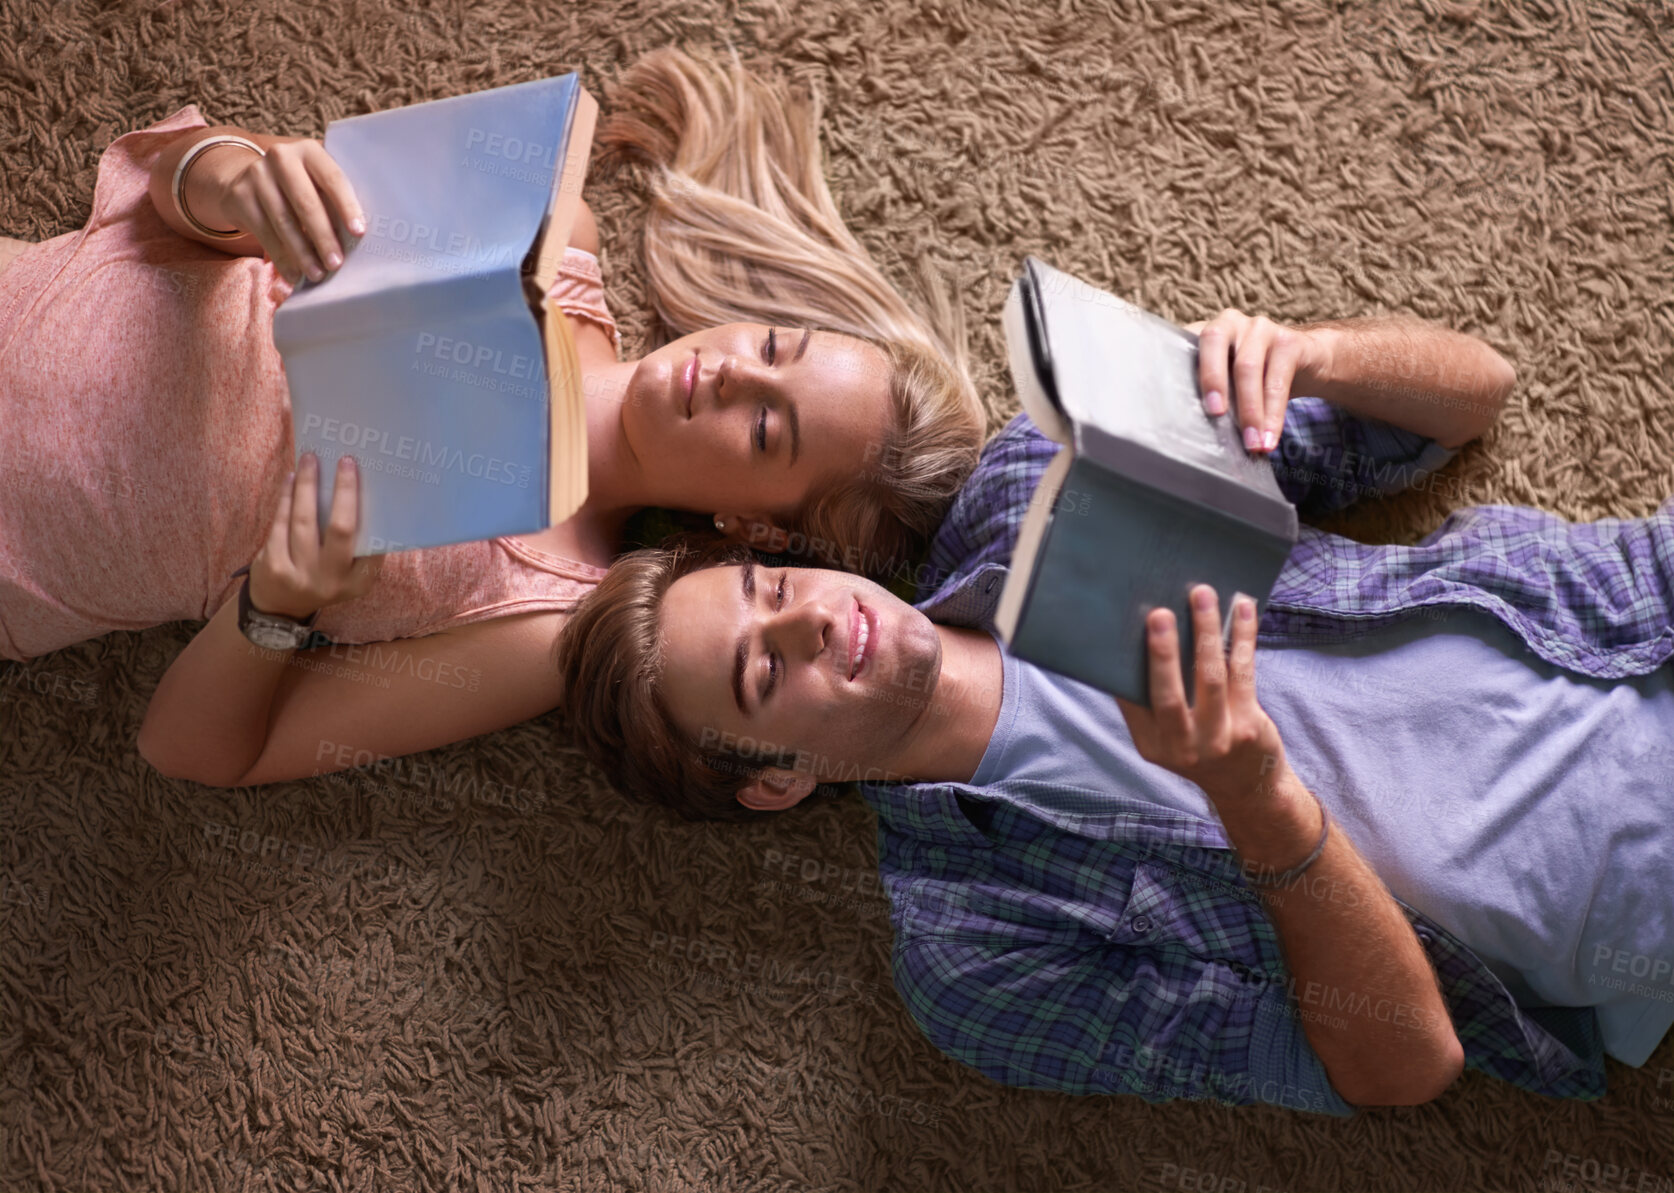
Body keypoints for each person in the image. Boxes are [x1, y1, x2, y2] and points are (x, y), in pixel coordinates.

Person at [552, 307, 1674, 1114]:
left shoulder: (1037, 472)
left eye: (774, 589)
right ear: (779, 777)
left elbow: (1471, 390)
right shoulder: (977, 960)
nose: (810, 625)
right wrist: (1258, 796)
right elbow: (1402, 1068)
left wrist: (1313, 354)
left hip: (1631, 605)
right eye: (762, 673)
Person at [0, 48, 984, 786]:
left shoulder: (544, 620)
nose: (730, 375)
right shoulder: (551, 236)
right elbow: (164, 207)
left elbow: (200, 750)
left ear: (754, 530)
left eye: (769, 431)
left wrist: (279, 601)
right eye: (772, 348)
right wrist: (232, 175)